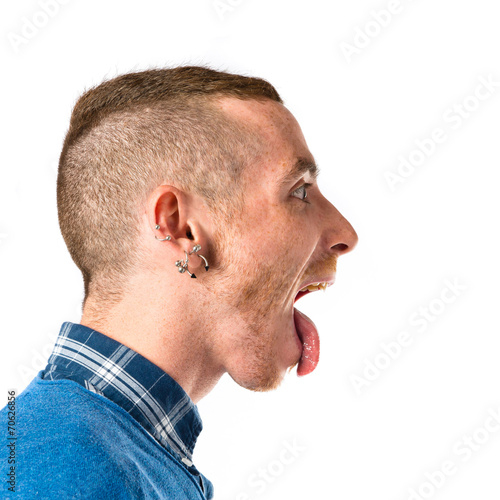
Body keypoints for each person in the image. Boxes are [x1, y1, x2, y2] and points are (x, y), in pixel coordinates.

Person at [1, 65, 358, 499]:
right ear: (181, 226)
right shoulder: (60, 472)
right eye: (299, 190)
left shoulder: (94, 453)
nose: (346, 234)